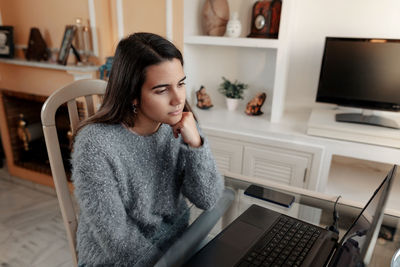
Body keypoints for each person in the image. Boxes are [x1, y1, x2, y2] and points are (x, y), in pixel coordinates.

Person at [71, 32, 223, 266]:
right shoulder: (94, 145)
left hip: (178, 247)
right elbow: (117, 240)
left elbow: (208, 198)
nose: (177, 99)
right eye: (162, 90)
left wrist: (196, 144)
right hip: (118, 261)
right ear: (132, 95)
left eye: (181, 84)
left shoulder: (182, 122)